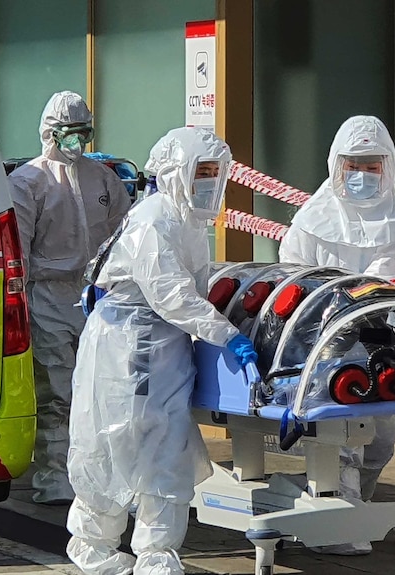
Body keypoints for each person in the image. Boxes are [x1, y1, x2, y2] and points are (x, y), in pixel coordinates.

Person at [66, 127, 258, 575]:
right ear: (175, 172)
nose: (209, 182)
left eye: (216, 172)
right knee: (112, 444)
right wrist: (226, 334)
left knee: (166, 450)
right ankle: (93, 546)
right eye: (201, 171)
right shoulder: (155, 219)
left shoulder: (185, 219)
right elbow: (170, 293)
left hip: (164, 350)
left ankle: (156, 553)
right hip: (125, 350)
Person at [278, 114, 395, 555]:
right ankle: (338, 516)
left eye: (372, 165)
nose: (362, 175)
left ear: (389, 167)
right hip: (324, 335)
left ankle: (356, 503)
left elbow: (389, 275)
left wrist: (361, 302)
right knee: (338, 427)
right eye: (353, 165)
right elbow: (294, 272)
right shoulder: (312, 218)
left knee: (380, 435)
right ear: (336, 166)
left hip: (383, 330)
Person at [9, 91, 131, 505]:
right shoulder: (28, 181)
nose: (77, 141)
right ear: (51, 133)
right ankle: (54, 477)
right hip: (47, 298)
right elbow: (19, 249)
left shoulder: (103, 179)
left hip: (96, 296)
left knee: (100, 391)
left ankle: (97, 474)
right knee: (57, 391)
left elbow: (121, 236)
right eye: (69, 133)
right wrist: (20, 304)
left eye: (83, 132)